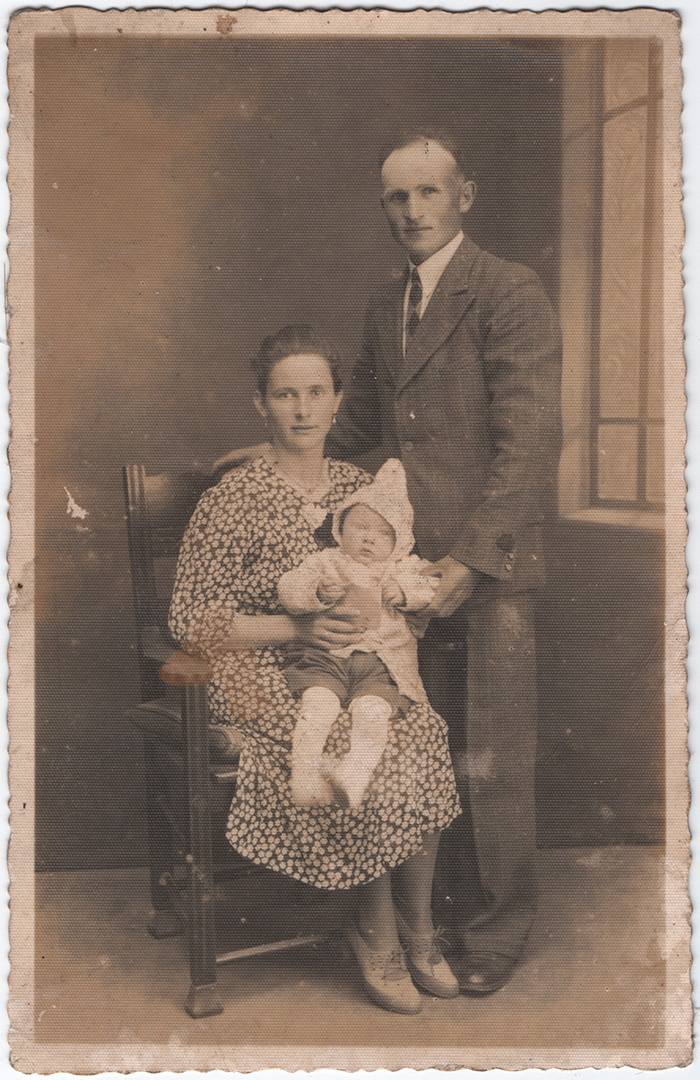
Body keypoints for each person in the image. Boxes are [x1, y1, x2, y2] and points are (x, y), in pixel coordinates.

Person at [214, 130, 562, 995]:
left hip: (483, 569)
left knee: (492, 759)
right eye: (397, 197)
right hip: (400, 583)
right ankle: (426, 922)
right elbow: (362, 421)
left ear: (464, 196)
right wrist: (267, 453)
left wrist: (469, 563)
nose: (412, 211)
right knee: (421, 747)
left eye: (428, 192)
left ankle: (496, 934)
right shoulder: (387, 303)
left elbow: (529, 446)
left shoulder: (509, 290)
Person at [169, 324, 461, 1015]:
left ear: (337, 400)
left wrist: (398, 603)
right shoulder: (232, 497)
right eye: (284, 395)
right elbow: (191, 621)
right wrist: (296, 627)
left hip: (360, 663)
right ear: (260, 404)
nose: (302, 409)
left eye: (315, 392)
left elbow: (396, 577)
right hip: (254, 669)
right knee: (343, 740)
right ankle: (375, 929)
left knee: (419, 731)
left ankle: (418, 927)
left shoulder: (364, 490)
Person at [278, 457, 439, 809]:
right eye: (360, 527)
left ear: (400, 541)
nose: (369, 538)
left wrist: (404, 592)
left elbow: (431, 587)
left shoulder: (403, 568)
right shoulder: (326, 561)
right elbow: (288, 588)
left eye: (383, 533)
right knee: (317, 704)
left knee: (373, 711)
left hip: (381, 665)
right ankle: (303, 777)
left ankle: (353, 777)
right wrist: (317, 591)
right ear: (340, 527)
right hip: (326, 657)